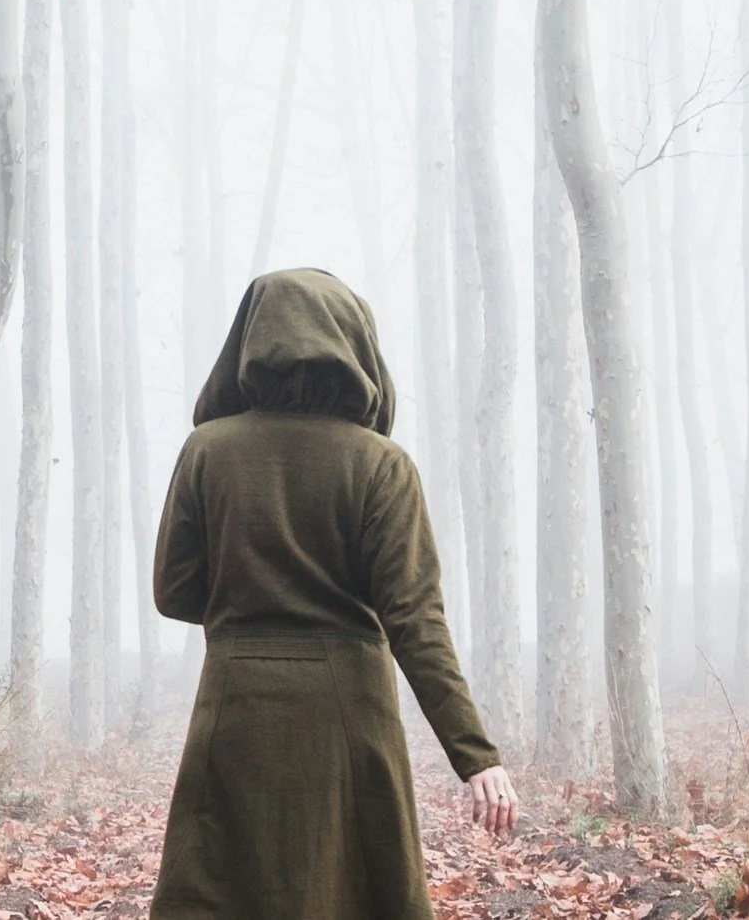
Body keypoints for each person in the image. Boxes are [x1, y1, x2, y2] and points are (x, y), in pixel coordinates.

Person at [149, 267, 518, 919]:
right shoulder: (381, 465)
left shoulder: (206, 451)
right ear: (353, 343)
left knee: (222, 893)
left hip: (234, 709)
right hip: (353, 715)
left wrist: (247, 603)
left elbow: (175, 593)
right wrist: (474, 754)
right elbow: (415, 623)